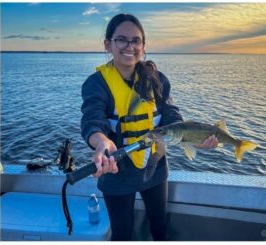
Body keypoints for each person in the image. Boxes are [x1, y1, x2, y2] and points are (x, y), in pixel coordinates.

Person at [79, 13, 217, 241]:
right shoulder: (96, 84)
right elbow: (92, 121)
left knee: (159, 226)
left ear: (143, 45)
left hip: (155, 168)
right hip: (116, 172)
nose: (129, 46)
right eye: (121, 39)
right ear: (108, 44)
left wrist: (194, 139)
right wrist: (102, 141)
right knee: (122, 233)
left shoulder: (157, 79)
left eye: (136, 40)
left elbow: (172, 116)